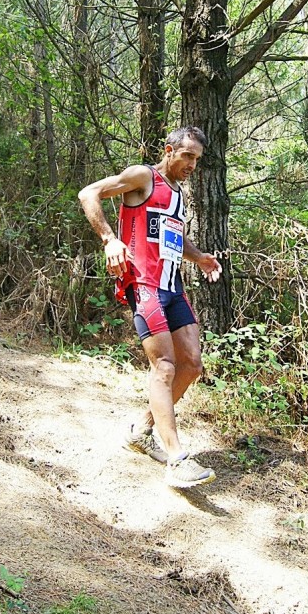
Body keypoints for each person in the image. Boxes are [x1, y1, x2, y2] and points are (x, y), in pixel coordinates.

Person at [78, 127, 222, 489]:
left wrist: (199, 257)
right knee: (165, 366)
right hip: (144, 283)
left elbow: (172, 235)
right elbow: (88, 193)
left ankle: (142, 430)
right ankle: (176, 459)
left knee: (191, 364)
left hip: (173, 286)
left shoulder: (177, 196)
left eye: (197, 159)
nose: (192, 164)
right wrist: (110, 239)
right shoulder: (144, 177)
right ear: (169, 150)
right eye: (187, 156)